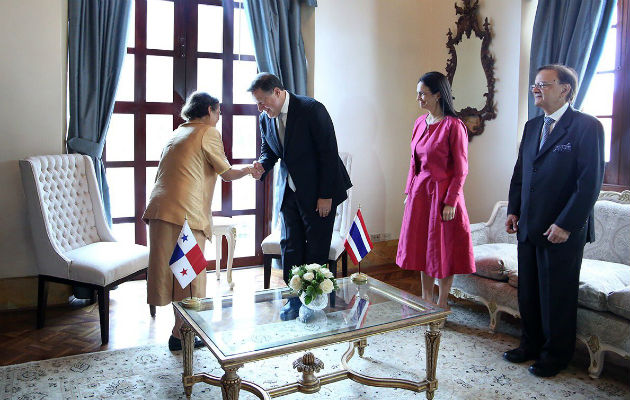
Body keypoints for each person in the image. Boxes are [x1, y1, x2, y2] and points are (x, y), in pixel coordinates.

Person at [503, 64, 604, 377]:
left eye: (543, 85)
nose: (536, 89)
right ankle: (530, 344)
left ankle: (556, 355)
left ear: (565, 89)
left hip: (562, 229)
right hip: (529, 225)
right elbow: (522, 173)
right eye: (535, 84)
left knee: (556, 295)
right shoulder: (532, 127)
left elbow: (589, 183)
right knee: (529, 292)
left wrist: (566, 224)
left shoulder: (587, 127)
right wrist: (513, 209)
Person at [143, 91, 254, 351]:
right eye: (218, 111)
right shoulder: (207, 132)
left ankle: (178, 332)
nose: (218, 117)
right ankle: (185, 335)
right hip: (185, 215)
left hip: (159, 210)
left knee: (172, 275)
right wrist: (250, 169)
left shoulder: (177, 133)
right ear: (208, 110)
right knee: (189, 276)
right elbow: (226, 173)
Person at [248, 72, 352, 320]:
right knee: (290, 246)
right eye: (257, 104)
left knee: (316, 247)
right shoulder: (266, 118)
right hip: (289, 191)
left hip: (320, 191)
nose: (261, 108)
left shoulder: (311, 109)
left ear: (277, 92)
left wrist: (325, 195)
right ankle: (293, 299)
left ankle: (313, 301)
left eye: (263, 102)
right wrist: (262, 164)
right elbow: (269, 149)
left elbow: (328, 152)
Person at [396, 71, 475, 315]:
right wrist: (409, 191)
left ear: (438, 95)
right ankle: (425, 299)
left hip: (444, 197)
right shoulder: (420, 122)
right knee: (422, 247)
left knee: (443, 249)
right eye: (417, 93)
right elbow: (413, 162)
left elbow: (461, 169)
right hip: (420, 194)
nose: (418, 98)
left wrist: (451, 201)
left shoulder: (454, 126)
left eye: (423, 93)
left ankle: (442, 302)